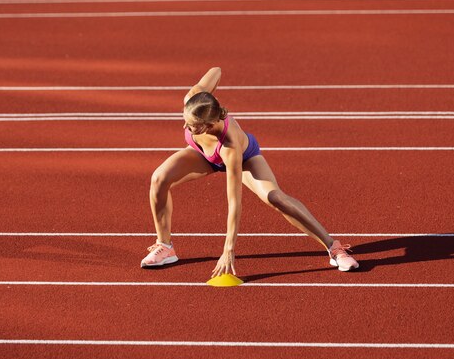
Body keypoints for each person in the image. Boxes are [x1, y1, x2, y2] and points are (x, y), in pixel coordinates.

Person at [141, 67, 358, 277]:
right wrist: (205, 90)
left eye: (191, 127)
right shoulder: (195, 100)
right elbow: (216, 70)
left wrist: (228, 250)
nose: (185, 128)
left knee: (276, 198)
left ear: (208, 125)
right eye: (185, 121)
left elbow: (234, 203)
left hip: (245, 160)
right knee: (159, 178)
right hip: (202, 154)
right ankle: (165, 246)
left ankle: (334, 248)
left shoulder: (231, 146)